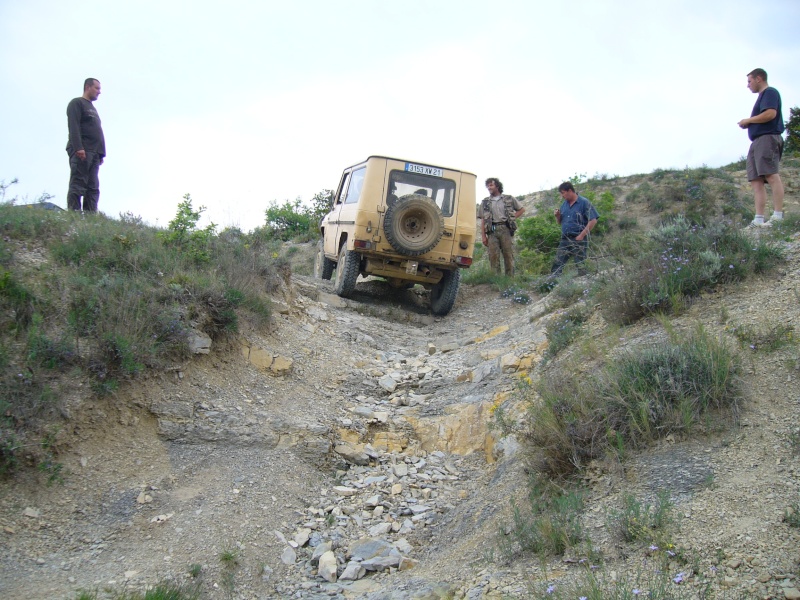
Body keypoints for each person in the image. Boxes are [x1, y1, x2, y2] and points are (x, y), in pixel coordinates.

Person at [737, 68, 785, 227]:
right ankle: (758, 219)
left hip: (767, 138)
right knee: (756, 180)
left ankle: (778, 215)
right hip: (757, 141)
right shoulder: (762, 96)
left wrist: (749, 120)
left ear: (759, 79)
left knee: (771, 174)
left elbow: (770, 114)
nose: (748, 85)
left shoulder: (770, 92)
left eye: (749, 81)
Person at [66, 78, 106, 212]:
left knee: (93, 187)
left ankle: (90, 219)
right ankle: (74, 215)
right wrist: (78, 148)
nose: (99, 92)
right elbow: (73, 126)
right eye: (97, 88)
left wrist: (101, 154)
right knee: (78, 183)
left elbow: (97, 131)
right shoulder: (77, 103)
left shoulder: (93, 109)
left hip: (94, 153)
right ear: (88, 87)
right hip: (83, 150)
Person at [550, 181, 599, 276]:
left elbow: (593, 220)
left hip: (578, 239)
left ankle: (583, 285)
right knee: (557, 263)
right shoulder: (564, 205)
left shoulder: (584, 202)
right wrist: (558, 216)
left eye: (563, 193)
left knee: (581, 265)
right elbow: (560, 222)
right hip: (565, 239)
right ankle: (552, 285)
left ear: (570, 191)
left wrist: (581, 235)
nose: (562, 196)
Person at [480, 178, 525, 276]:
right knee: (493, 256)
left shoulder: (509, 198)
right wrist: (483, 236)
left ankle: (509, 280)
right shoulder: (485, 202)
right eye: (487, 186)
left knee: (508, 255)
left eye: (491, 185)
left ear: (497, 186)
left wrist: (512, 219)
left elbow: (521, 209)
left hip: (506, 229)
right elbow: (483, 220)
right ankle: (496, 280)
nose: (489, 188)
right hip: (492, 231)